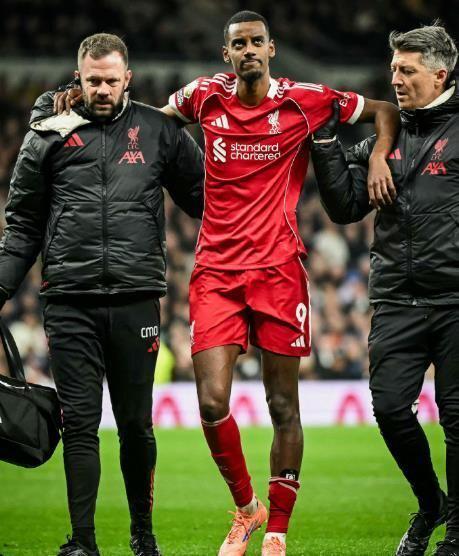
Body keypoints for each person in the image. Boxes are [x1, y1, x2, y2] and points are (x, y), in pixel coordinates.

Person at [161, 10, 400, 556]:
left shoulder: (303, 100)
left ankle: (277, 532)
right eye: (238, 43)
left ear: (271, 48)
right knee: (211, 403)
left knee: (282, 404)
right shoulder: (204, 96)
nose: (248, 50)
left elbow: (384, 110)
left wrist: (379, 154)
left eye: (257, 42)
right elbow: (151, 123)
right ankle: (248, 509)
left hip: (278, 272)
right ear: (226, 53)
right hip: (217, 271)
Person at [3, 33, 204, 556]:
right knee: (80, 426)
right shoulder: (47, 133)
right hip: (69, 302)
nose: (102, 89)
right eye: (93, 80)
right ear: (79, 77)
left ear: (127, 78)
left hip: (137, 299)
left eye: (111, 81)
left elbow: (208, 199)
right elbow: (22, 226)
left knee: (136, 426)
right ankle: (83, 543)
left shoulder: (159, 130)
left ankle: (143, 537)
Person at [310, 23, 459, 556]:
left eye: (407, 70)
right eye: (393, 68)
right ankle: (430, 503)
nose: (395, 79)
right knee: (391, 410)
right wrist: (326, 143)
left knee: (457, 418)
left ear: (440, 74)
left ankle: (456, 534)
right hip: (396, 297)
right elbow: (345, 207)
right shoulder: (384, 138)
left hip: (455, 299)